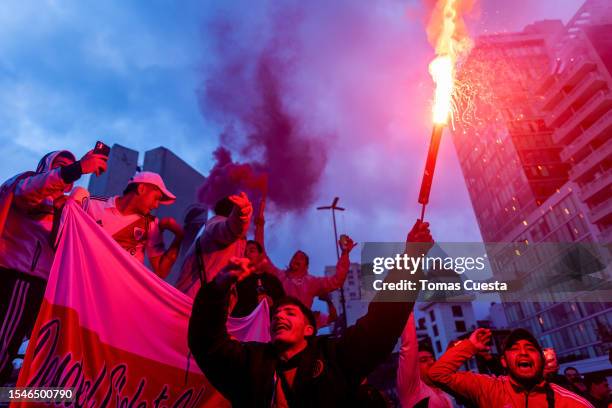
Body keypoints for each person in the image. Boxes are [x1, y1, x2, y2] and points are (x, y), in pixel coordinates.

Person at [188, 220, 434, 407]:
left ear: (310, 328)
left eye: (290, 314)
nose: (279, 316)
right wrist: (217, 289)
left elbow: (380, 324)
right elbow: (208, 345)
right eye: (277, 314)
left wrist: (411, 258)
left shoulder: (334, 357)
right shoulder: (251, 362)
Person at [0, 149, 107, 384]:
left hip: (43, 286)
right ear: (46, 167)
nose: (66, 171)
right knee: (4, 346)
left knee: (20, 351)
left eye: (70, 167)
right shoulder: (28, 186)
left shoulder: (69, 204)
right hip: (19, 279)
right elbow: (29, 191)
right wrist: (77, 168)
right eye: (60, 165)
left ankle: (17, 397)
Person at [428, 327, 594, 407]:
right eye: (514, 349)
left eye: (530, 348)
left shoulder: (569, 402)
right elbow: (437, 374)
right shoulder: (488, 388)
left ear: (541, 360)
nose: (523, 352)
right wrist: (471, 345)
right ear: (504, 362)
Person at [84, 171, 183, 279]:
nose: (156, 205)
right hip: (85, 282)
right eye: (156, 198)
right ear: (141, 189)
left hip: (118, 290)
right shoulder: (91, 205)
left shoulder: (151, 224)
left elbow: (161, 271)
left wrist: (179, 237)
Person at [254, 204, 352, 309]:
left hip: (300, 322)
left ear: (306, 267)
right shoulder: (279, 276)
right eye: (294, 257)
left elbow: (336, 281)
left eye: (300, 258)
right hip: (278, 320)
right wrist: (260, 226)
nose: (296, 259)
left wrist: (345, 254)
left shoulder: (312, 282)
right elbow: (261, 257)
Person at [176, 192, 252, 297]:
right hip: (194, 302)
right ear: (232, 211)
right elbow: (230, 229)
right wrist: (241, 215)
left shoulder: (211, 230)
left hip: (199, 301)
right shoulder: (216, 225)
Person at [397, 313, 453, 407]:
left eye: (432, 358)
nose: (432, 362)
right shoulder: (412, 389)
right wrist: (407, 307)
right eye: (423, 360)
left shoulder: (442, 390)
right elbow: (409, 347)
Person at [231, 239, 285, 318]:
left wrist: (272, 303)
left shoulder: (273, 280)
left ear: (260, 255)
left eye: (251, 251)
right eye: (244, 251)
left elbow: (283, 304)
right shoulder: (237, 278)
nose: (247, 253)